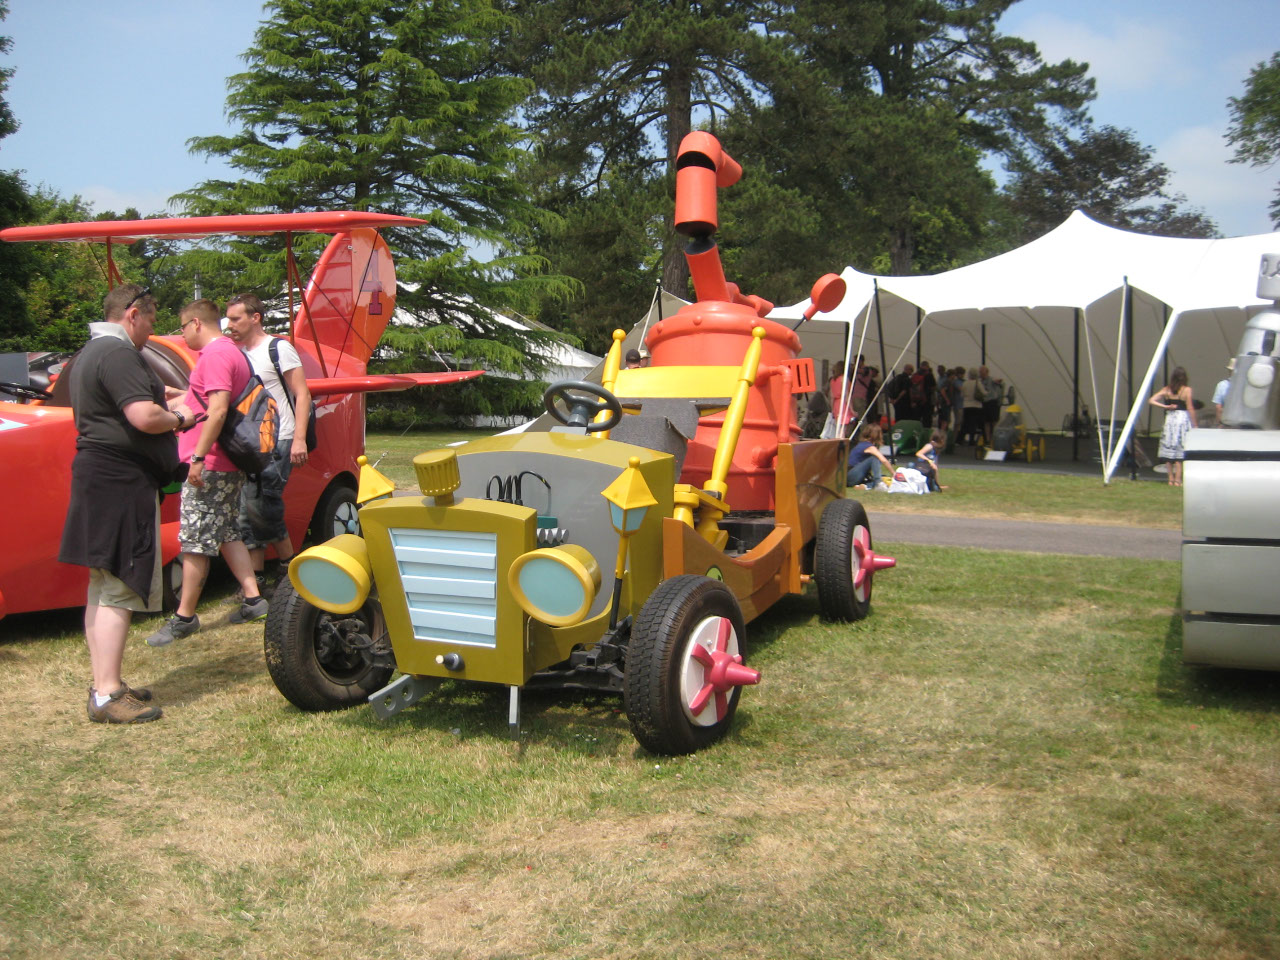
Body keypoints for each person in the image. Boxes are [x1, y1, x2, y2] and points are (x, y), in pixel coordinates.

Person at [59, 284, 192, 723]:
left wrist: (162, 399)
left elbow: (123, 408)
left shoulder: (89, 353)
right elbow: (142, 417)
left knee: (102, 584)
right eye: (152, 321)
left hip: (99, 477)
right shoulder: (118, 354)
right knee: (121, 585)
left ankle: (102, 685)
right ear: (133, 314)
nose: (152, 332)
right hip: (120, 482)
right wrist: (181, 417)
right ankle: (109, 694)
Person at [145, 300, 268, 647]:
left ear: (196, 323)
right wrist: (178, 395)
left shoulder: (214, 356)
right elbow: (209, 400)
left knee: (195, 541)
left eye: (182, 328)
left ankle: (184, 618)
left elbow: (216, 411)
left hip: (211, 463)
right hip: (228, 463)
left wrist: (197, 458)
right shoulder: (231, 352)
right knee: (228, 531)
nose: (182, 335)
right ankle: (254, 599)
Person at [224, 293, 312, 590]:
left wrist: (299, 439)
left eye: (236, 318)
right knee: (248, 509)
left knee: (263, 504)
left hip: (280, 438)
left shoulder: (279, 348)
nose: (230, 325)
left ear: (255, 317)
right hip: (251, 442)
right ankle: (257, 579)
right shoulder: (238, 353)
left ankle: (290, 569)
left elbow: (302, 394)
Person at [1150, 366, 1196, 486]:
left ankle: (1170, 478)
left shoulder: (1167, 389)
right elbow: (1190, 407)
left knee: (1169, 447)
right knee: (1180, 448)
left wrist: (1165, 407)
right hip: (1182, 419)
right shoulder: (1187, 390)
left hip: (1170, 419)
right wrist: (1194, 424)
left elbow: (1152, 400)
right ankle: (1178, 479)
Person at [847, 423, 893, 488]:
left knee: (883, 476)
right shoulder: (869, 447)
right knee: (875, 458)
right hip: (852, 475)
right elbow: (884, 461)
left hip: (851, 477)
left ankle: (864, 487)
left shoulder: (862, 444)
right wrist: (894, 473)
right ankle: (878, 483)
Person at [979, 365, 1002, 444]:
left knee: (994, 421)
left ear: (986, 372)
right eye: (980, 372)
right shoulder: (979, 381)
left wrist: (998, 381)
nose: (981, 373)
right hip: (984, 403)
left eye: (982, 372)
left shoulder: (991, 379)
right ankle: (987, 439)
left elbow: (997, 381)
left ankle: (994, 438)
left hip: (992, 402)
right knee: (986, 422)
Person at [960, 368, 984, 445]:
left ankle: (959, 440)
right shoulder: (978, 383)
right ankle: (971, 440)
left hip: (966, 406)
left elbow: (962, 395)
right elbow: (984, 393)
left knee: (965, 423)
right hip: (976, 406)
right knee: (974, 423)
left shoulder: (965, 383)